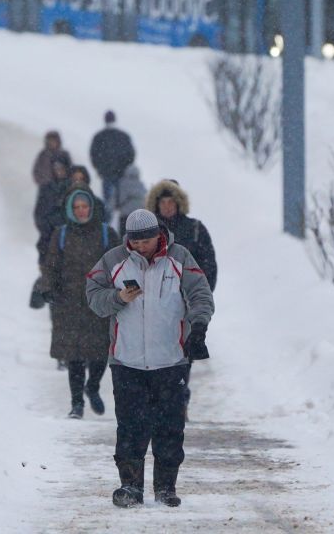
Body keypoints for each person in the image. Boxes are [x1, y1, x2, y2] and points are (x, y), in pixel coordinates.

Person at [86, 209, 214, 508]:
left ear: (159, 234)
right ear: (128, 240)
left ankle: (166, 487)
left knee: (170, 427)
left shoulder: (180, 258)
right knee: (130, 427)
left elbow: (200, 294)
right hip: (126, 361)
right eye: (136, 241)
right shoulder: (112, 261)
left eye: (147, 240)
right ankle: (130, 486)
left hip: (171, 360)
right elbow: (93, 297)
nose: (142, 246)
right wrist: (118, 299)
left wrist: (199, 325)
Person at [42, 186, 119, 418]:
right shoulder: (62, 234)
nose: (81, 211)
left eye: (85, 206)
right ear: (70, 210)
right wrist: (47, 288)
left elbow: (119, 265)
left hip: (99, 302)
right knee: (74, 355)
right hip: (69, 303)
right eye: (76, 207)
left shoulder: (107, 234)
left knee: (99, 352)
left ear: (92, 207)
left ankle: (92, 386)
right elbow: (51, 265)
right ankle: (77, 403)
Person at [145, 179, 217, 422]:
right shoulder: (146, 233)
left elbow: (208, 266)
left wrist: (200, 298)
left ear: (179, 203)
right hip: (153, 305)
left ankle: (178, 400)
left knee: (182, 355)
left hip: (184, 305)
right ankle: (158, 401)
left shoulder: (195, 230)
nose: (167, 207)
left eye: (171, 202)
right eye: (162, 202)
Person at [89, 110, 135, 213]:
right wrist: (124, 167)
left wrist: (100, 169)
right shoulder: (123, 136)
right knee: (121, 202)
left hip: (109, 174)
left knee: (109, 202)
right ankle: (116, 223)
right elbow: (131, 154)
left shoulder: (99, 137)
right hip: (118, 174)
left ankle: (109, 223)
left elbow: (93, 155)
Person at [33, 156, 72, 263]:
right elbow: (39, 213)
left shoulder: (74, 188)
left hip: (69, 238)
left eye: (61, 168)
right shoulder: (46, 188)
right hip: (48, 237)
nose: (59, 171)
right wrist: (47, 228)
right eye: (56, 168)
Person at [112, 164, 146, 235]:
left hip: (125, 216)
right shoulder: (141, 185)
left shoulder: (122, 184)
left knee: (124, 238)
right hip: (139, 216)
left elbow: (118, 200)